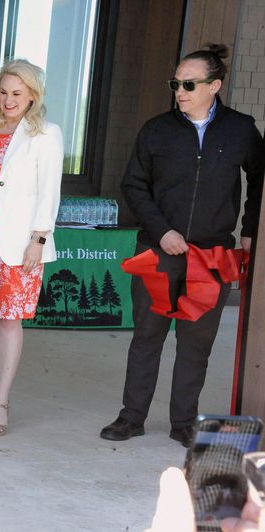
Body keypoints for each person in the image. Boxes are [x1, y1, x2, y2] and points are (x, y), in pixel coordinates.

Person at [100, 44, 264, 447]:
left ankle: (184, 422)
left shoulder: (240, 129)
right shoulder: (155, 130)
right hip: (158, 252)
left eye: (189, 83)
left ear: (215, 85)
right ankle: (132, 416)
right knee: (147, 336)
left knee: (196, 343)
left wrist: (249, 229)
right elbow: (133, 186)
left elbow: (260, 181)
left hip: (211, 255)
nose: (180, 90)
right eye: (176, 83)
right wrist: (162, 232)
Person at [0, 59, 63, 437]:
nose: (8, 100)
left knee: (10, 320)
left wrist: (39, 239)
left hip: (22, 242)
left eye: (17, 94)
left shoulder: (45, 133)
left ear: (32, 96)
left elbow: (49, 191)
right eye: (4, 92)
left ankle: (3, 403)